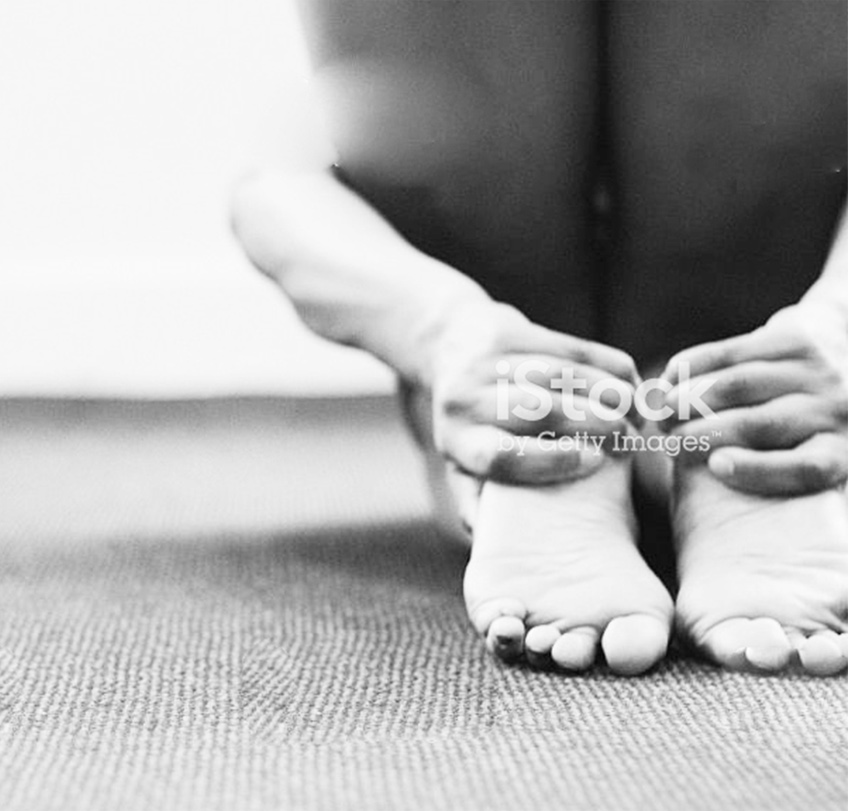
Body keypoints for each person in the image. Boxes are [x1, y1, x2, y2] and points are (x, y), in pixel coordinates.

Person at [232, 0, 848, 675]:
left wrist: (834, 326)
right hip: (515, 323)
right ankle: (568, 410)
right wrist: (452, 331)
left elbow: (267, 183)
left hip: (755, 317)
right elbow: (274, 184)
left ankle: (710, 411)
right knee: (421, 114)